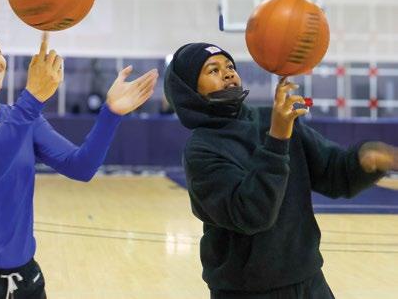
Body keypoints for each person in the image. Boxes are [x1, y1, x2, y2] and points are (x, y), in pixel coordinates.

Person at [0, 17, 158, 299]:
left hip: (25, 281)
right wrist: (31, 99)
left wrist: (111, 114)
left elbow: (81, 166)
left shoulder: (23, 118)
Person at [163, 42, 397, 299]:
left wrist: (366, 160)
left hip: (309, 281)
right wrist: (277, 138)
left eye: (230, 66)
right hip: (246, 292)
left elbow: (334, 174)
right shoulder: (201, 150)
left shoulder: (272, 119)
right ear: (190, 90)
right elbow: (252, 213)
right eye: (213, 70)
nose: (228, 73)